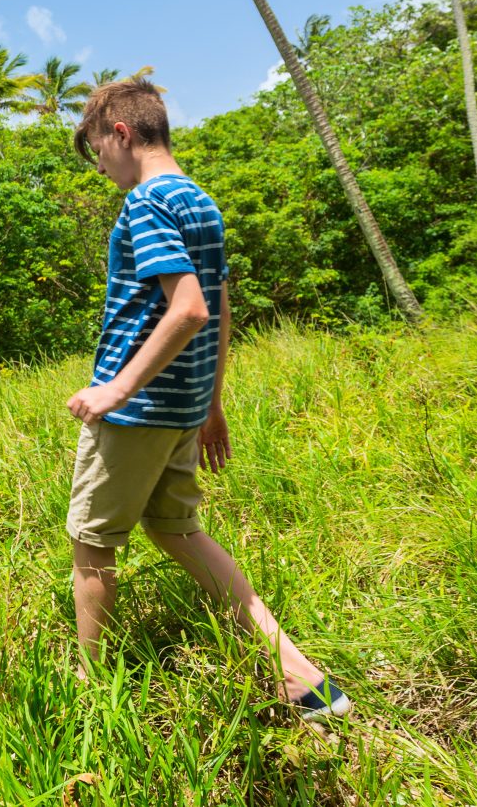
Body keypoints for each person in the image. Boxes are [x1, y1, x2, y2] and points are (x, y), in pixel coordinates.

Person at [65, 79, 350, 721]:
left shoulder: (146, 202)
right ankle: (302, 678)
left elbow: (189, 306)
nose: (103, 169)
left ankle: (90, 697)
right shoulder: (201, 202)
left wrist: (116, 387)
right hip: (184, 407)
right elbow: (220, 309)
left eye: (99, 154)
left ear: (122, 133)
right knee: (177, 529)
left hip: (136, 411)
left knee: (92, 543)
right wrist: (211, 405)